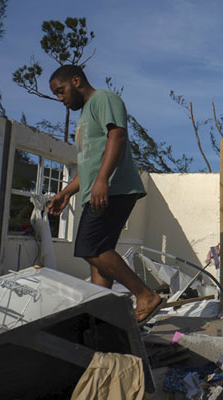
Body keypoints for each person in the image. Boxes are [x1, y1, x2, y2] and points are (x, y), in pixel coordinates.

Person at [46, 64, 164, 324]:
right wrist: (66, 192)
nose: (60, 98)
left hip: (114, 188)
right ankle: (100, 316)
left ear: (76, 81)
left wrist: (102, 180)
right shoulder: (85, 115)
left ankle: (146, 296)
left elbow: (117, 136)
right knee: (99, 257)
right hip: (100, 190)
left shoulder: (104, 99)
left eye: (61, 91)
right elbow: (90, 164)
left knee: (90, 247)